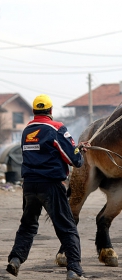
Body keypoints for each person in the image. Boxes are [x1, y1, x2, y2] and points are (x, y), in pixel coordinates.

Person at [6, 94, 90, 280]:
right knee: (67, 227)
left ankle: (15, 259)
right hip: (51, 185)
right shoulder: (57, 128)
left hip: (29, 185)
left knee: (27, 225)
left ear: (35, 111)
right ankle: (74, 269)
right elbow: (74, 160)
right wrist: (79, 152)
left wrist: (76, 149)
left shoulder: (27, 130)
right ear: (51, 111)